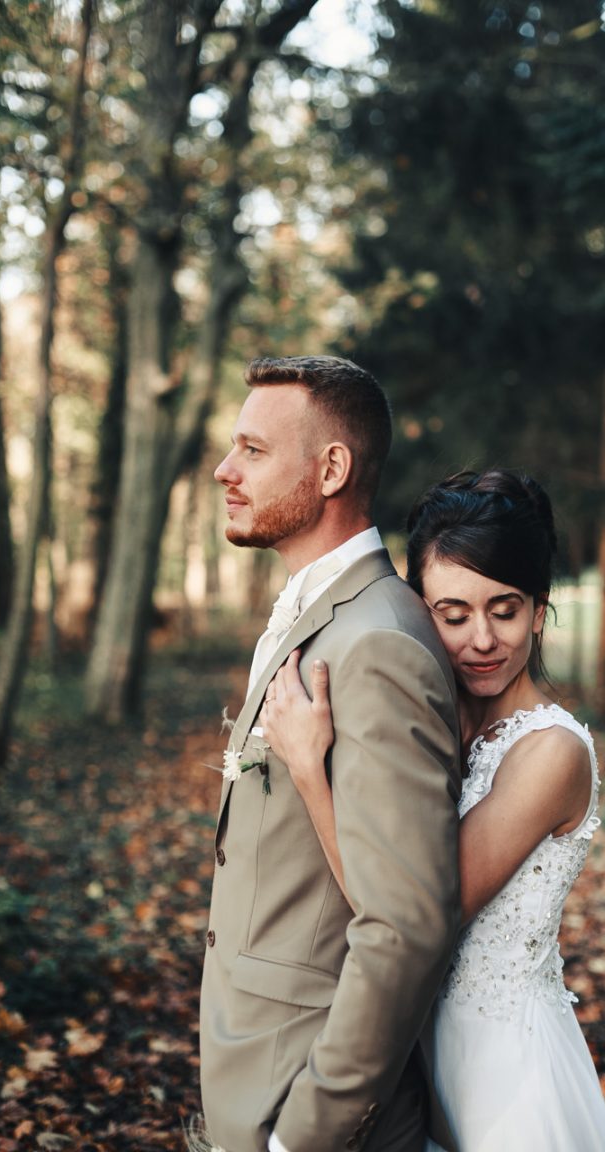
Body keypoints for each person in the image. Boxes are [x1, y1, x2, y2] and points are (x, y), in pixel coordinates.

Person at [262, 468, 605, 1152]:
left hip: (506, 1077)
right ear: (419, 609)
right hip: (422, 1062)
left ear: (539, 611)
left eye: (505, 609)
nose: (481, 640)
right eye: (453, 615)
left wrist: (312, 774)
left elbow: (415, 913)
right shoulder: (437, 729)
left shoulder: (551, 753)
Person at [198, 356, 462, 1152]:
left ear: (332, 469)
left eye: (252, 449)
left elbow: (406, 926)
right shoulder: (317, 615)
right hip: (253, 1068)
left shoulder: (377, 644)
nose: (224, 470)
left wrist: (307, 1132)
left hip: (309, 1100)